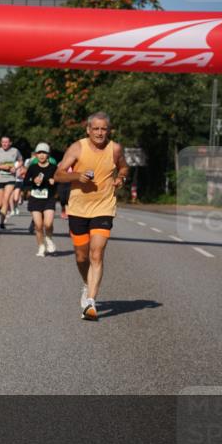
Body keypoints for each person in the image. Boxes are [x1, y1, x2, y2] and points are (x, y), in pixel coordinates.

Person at [54, 112, 128, 321]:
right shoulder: (77, 147)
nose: (99, 133)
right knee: (81, 256)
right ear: (88, 130)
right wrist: (77, 175)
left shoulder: (115, 149)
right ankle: (87, 283)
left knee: (97, 253)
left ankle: (90, 302)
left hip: (104, 207)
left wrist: (121, 178)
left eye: (103, 129)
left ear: (108, 130)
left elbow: (123, 167)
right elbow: (58, 174)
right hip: (78, 208)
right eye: (95, 129)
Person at [25, 142, 58, 256]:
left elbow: (59, 182)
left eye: (44, 153)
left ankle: (48, 239)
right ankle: (41, 246)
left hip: (49, 199)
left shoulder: (54, 168)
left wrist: (54, 182)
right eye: (39, 153)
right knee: (38, 226)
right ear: (36, 155)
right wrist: (32, 181)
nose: (42, 155)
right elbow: (25, 183)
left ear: (48, 154)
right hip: (35, 199)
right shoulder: (32, 168)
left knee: (48, 224)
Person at [0, 136, 23, 230]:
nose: (5, 144)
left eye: (6, 142)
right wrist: (1, 167)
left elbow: (20, 161)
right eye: (3, 142)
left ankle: (2, 222)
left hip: (11, 178)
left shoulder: (15, 151)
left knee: (6, 199)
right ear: (1, 143)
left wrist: (15, 168)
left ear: (10, 143)